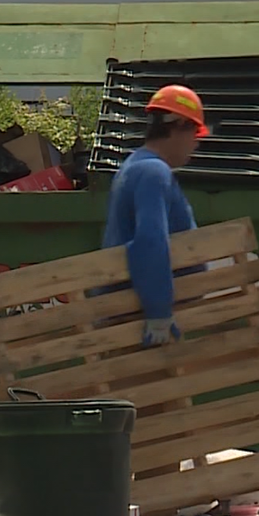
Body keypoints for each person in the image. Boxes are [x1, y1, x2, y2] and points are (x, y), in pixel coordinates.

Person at [100, 84, 209, 347]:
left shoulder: (135, 167)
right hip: (139, 323)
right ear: (177, 125)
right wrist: (159, 312)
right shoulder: (153, 173)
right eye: (194, 132)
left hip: (129, 315)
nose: (196, 143)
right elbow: (150, 241)